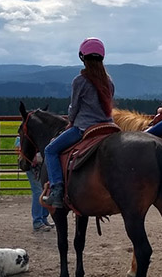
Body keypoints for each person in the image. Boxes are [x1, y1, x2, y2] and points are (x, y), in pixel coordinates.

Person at [43, 37, 115, 208]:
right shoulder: (109, 81)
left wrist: (71, 121)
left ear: (83, 57)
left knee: (50, 150)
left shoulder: (80, 81)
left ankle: (57, 190)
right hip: (108, 126)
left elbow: (74, 107)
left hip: (84, 128)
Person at [15, 136, 54, 231]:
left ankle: (42, 219)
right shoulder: (27, 135)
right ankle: (38, 221)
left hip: (36, 165)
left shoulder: (26, 134)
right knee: (39, 191)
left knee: (43, 190)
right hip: (34, 165)